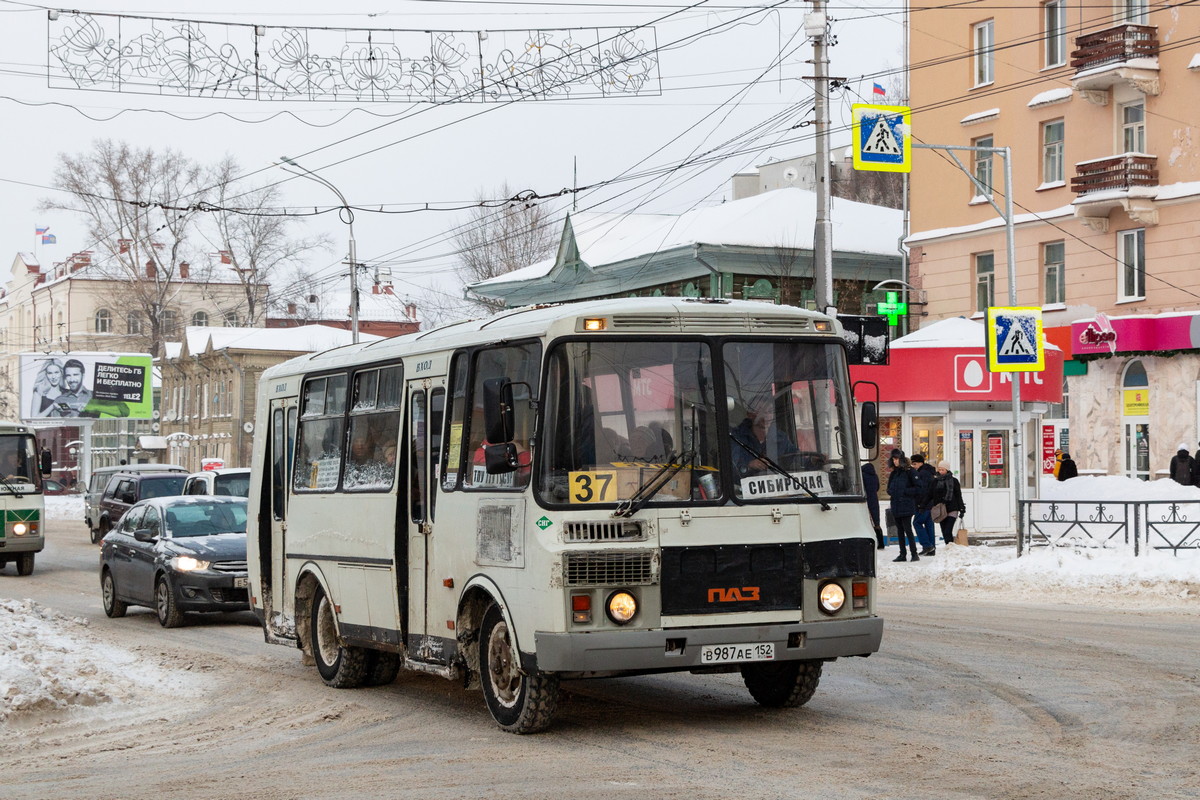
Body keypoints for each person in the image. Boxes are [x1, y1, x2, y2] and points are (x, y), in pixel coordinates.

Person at [730, 403, 797, 476]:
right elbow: (730, 471)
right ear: (750, 415)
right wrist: (749, 465)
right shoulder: (736, 438)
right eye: (762, 412)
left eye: (770, 411)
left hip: (776, 485)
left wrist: (810, 460)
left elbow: (796, 458)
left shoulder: (781, 438)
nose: (767, 416)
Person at [886, 448, 919, 562]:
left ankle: (914, 553)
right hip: (896, 505)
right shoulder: (894, 473)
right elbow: (889, 488)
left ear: (902, 459)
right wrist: (891, 491)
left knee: (907, 529)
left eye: (897, 459)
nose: (895, 461)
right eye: (893, 459)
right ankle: (902, 554)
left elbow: (918, 487)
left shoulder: (910, 472)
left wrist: (905, 492)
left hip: (906, 504)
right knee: (899, 530)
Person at [929, 461, 966, 545]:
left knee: (947, 530)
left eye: (943, 470)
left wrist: (962, 508)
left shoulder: (954, 481)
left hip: (952, 508)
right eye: (939, 469)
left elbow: (958, 495)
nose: (940, 471)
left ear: (947, 470)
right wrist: (922, 504)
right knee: (944, 531)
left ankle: (950, 548)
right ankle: (949, 548)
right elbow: (930, 494)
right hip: (941, 510)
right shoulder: (935, 481)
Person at [911, 453, 938, 556]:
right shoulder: (930, 472)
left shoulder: (921, 474)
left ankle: (927, 546)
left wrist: (920, 504)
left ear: (921, 463)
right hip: (930, 504)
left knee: (916, 523)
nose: (913, 466)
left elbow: (922, 491)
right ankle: (932, 548)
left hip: (924, 504)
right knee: (929, 525)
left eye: (914, 464)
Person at [861, 461, 885, 549]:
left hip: (867, 500)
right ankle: (881, 542)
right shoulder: (875, 476)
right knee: (876, 522)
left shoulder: (862, 476)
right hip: (874, 499)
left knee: (868, 521)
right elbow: (878, 487)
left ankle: (873, 542)